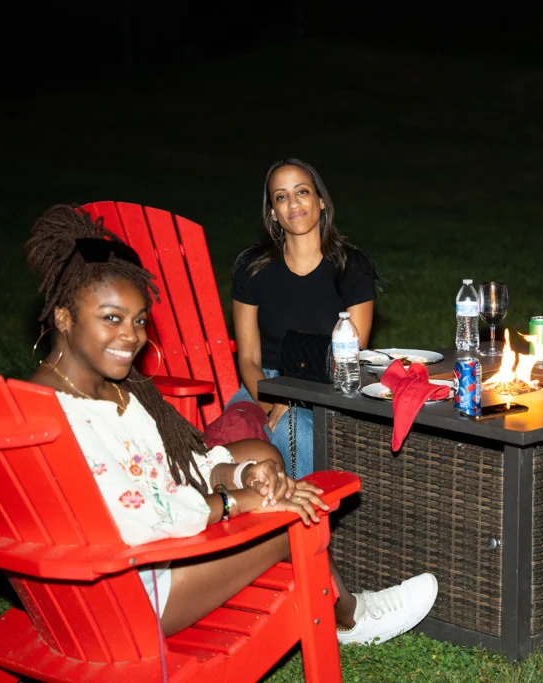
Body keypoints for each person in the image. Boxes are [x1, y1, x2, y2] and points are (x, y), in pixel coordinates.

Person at [25, 204, 435, 644]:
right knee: (293, 521)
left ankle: (286, 568)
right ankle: (351, 618)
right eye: (112, 318)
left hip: (128, 568)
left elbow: (160, 470)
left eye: (139, 319)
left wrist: (240, 475)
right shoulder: (62, 414)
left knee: (261, 459)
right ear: (63, 317)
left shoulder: (107, 389)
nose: (132, 336)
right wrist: (237, 502)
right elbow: (145, 518)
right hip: (129, 598)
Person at [229, 158, 382, 478]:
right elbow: (248, 358)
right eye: (281, 197)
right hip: (263, 384)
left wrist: (294, 399)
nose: (293, 203)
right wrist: (273, 401)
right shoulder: (253, 268)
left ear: (321, 201)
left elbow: (348, 360)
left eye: (302, 192)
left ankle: (302, 523)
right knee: (232, 435)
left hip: (329, 386)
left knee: (292, 431)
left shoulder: (350, 267)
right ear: (272, 211)